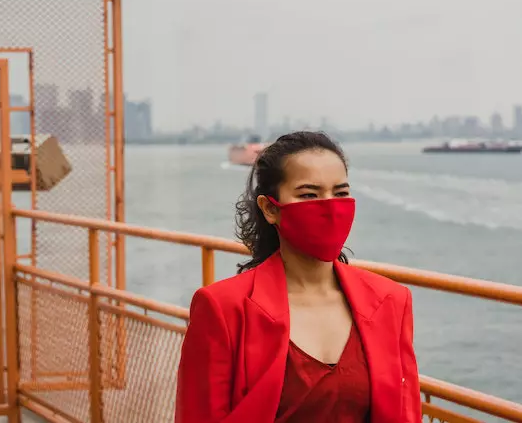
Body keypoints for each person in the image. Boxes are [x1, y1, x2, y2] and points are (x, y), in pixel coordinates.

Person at [175, 131, 421, 423]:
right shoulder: (222, 309)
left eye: (341, 193)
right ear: (269, 209)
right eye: (309, 195)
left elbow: (406, 414)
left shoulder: (391, 301)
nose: (330, 206)